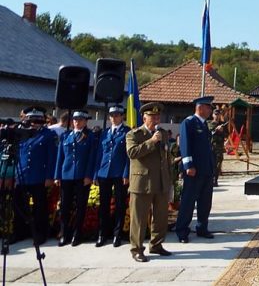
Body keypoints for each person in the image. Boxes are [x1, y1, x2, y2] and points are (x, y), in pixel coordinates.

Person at [126, 102, 172, 262]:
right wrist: (151, 141)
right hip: (142, 182)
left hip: (160, 181)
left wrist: (169, 179)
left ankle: (156, 244)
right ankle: (137, 249)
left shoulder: (163, 133)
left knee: (161, 217)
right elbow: (132, 153)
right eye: (152, 116)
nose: (156, 119)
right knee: (139, 218)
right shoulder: (134, 134)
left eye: (158, 116)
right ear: (144, 118)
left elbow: (166, 157)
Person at [7, 107, 57, 245]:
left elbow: (52, 157)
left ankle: (40, 233)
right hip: (22, 175)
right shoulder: (21, 134)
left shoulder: (48, 135)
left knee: (39, 207)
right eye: (31, 120)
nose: (34, 123)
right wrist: (15, 175)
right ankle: (19, 232)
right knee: (19, 206)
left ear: (42, 120)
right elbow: (17, 155)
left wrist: (49, 177)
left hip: (39, 176)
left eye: (37, 120)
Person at [176, 96, 217, 243]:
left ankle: (202, 227)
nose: (210, 110)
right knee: (188, 201)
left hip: (206, 169)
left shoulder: (204, 124)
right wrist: (188, 165)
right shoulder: (189, 123)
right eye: (208, 107)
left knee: (205, 202)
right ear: (200, 108)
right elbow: (185, 145)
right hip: (194, 170)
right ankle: (182, 231)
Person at [55, 110, 97, 246]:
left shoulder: (90, 136)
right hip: (66, 175)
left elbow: (91, 157)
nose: (77, 122)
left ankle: (77, 234)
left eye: (80, 120)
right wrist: (57, 175)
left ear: (85, 121)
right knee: (65, 206)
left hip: (81, 176)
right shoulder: (66, 135)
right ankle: (64, 233)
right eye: (75, 120)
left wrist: (89, 175)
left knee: (80, 206)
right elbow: (60, 157)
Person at [94, 105, 131, 248]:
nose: (114, 118)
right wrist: (96, 173)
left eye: (117, 115)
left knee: (120, 205)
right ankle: (102, 234)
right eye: (112, 116)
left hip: (119, 173)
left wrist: (126, 173)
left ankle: (117, 234)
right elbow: (99, 154)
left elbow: (128, 156)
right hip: (104, 172)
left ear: (122, 117)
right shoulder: (105, 133)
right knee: (104, 205)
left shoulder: (127, 132)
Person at [207, 107, 227, 187]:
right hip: (210, 147)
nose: (217, 116)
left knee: (218, 165)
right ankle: (210, 179)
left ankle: (215, 180)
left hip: (219, 148)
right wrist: (216, 129)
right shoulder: (208, 123)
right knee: (210, 164)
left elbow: (226, 134)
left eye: (218, 114)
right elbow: (208, 131)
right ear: (212, 115)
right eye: (215, 114)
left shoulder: (222, 124)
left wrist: (222, 131)